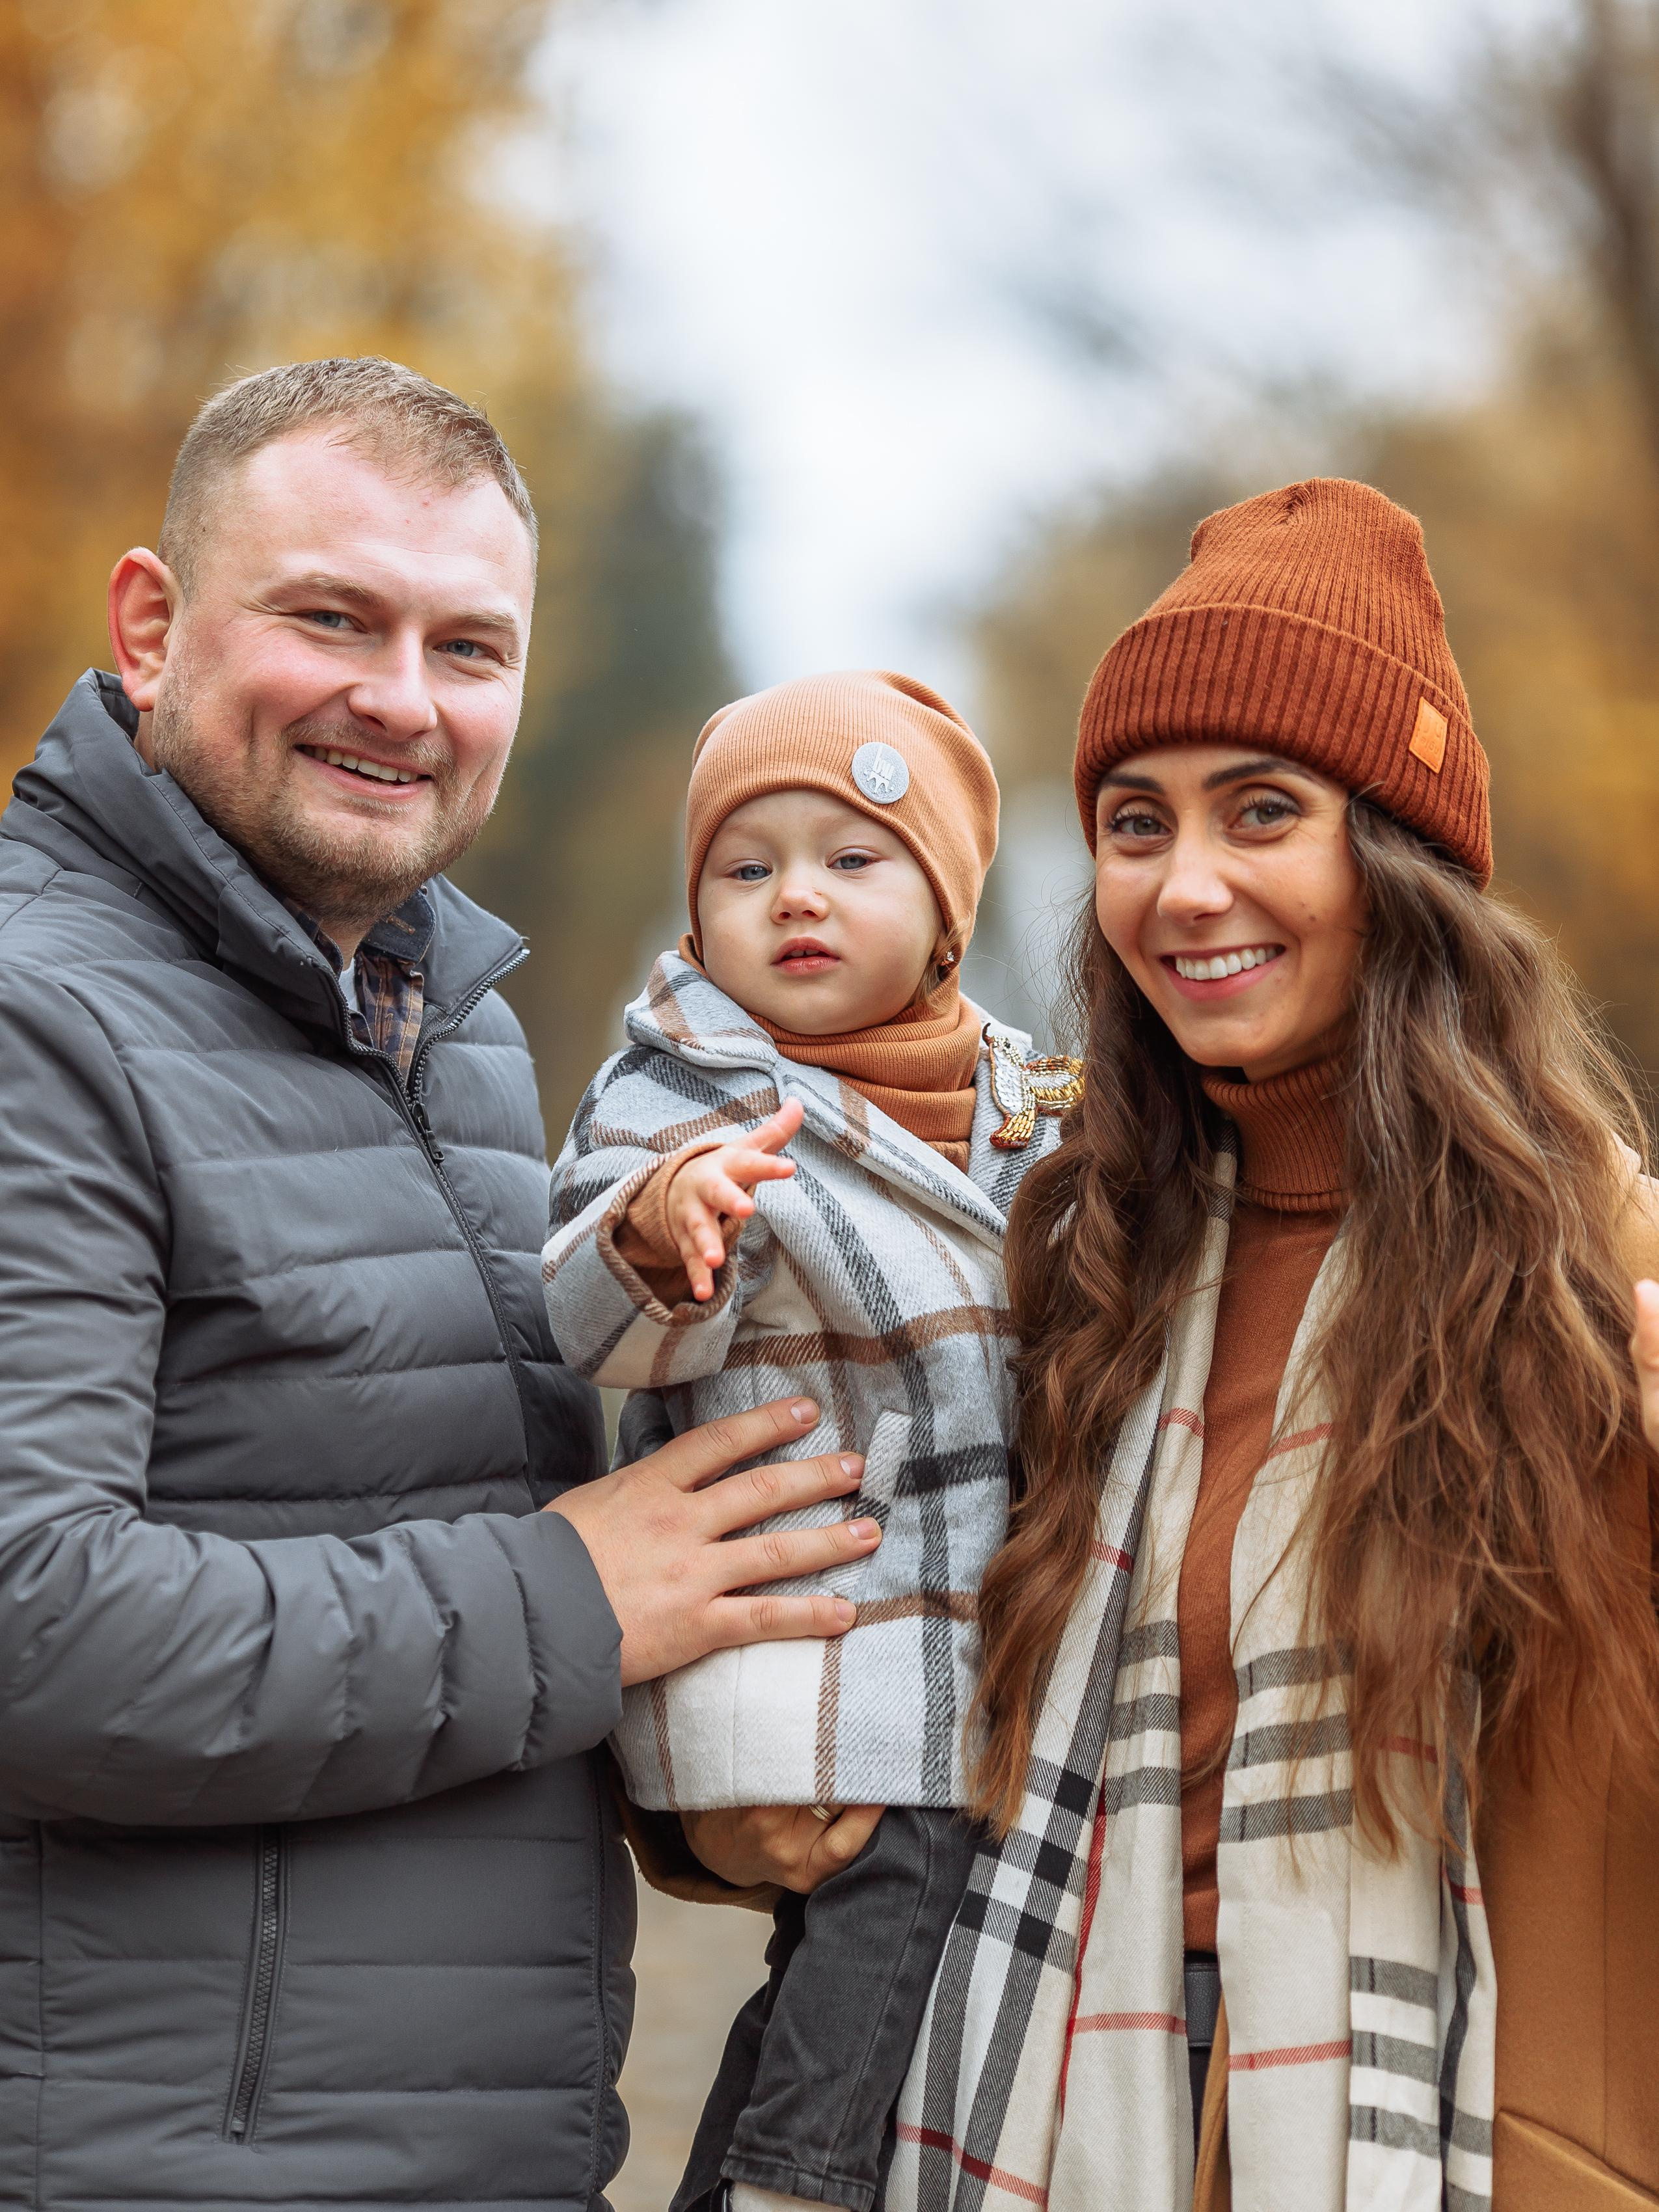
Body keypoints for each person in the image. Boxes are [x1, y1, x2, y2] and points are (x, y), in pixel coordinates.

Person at [0, 355, 888, 2212]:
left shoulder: (454, 1041)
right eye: (331, 618)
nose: (399, 701)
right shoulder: (37, 1022)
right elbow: (35, 1625)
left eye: (467, 648)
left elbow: (474, 1559)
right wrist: (579, 1590)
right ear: (152, 626)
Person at [856, 477, 1653, 2210]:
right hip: (1063, 2123)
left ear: (1393, 865)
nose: (1183, 884)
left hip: (1468, 2146)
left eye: (1260, 812)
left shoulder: (1591, 1282)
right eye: (1134, 824)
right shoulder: (1078, 1264)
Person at [542, 671, 1081, 2212]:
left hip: (941, 1627)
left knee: (867, 1954)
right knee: (904, 1883)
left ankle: (747, 2173)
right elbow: (596, 1317)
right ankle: (798, 2180)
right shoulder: (688, 1088)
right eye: (747, 864)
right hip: (817, 1626)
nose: (796, 900)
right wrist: (664, 1229)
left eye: (853, 860)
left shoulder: (1019, 1095)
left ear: (947, 907)